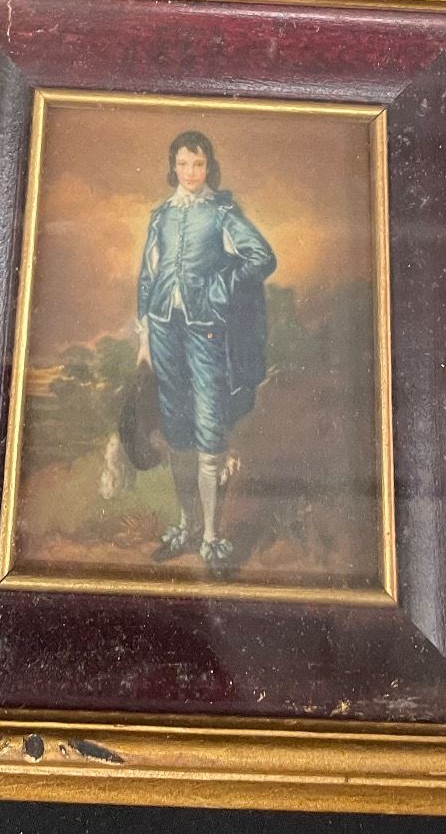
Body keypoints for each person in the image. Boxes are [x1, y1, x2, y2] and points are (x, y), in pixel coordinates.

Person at [136, 130, 276, 570]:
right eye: (182, 164)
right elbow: (147, 276)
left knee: (209, 426)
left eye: (197, 164)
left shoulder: (221, 212)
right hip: (163, 330)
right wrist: (144, 338)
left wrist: (219, 288)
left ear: (208, 167)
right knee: (176, 428)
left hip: (207, 332)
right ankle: (186, 525)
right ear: (173, 167)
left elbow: (261, 256)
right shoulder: (162, 215)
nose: (190, 172)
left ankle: (212, 538)